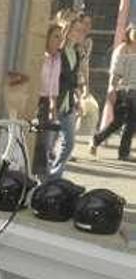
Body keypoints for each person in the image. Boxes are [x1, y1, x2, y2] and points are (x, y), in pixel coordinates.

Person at [92, 23, 136, 161]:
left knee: (126, 122)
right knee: (123, 122)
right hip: (124, 90)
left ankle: (119, 150)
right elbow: (116, 71)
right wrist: (112, 89)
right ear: (129, 32)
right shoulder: (123, 49)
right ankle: (102, 141)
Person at [48, 14, 84, 179]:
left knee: (68, 144)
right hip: (54, 102)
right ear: (68, 31)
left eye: (81, 30)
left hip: (68, 103)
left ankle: (55, 176)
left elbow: (74, 79)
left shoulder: (76, 53)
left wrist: (78, 100)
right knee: (48, 146)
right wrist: (52, 104)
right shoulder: (58, 52)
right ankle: (46, 178)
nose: (80, 33)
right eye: (77, 30)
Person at [35, 23, 63, 179]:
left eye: (61, 37)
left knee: (44, 143)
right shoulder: (40, 56)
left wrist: (53, 106)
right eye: (56, 37)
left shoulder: (57, 58)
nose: (59, 41)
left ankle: (41, 177)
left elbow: (54, 84)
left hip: (46, 102)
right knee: (36, 140)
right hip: (35, 99)